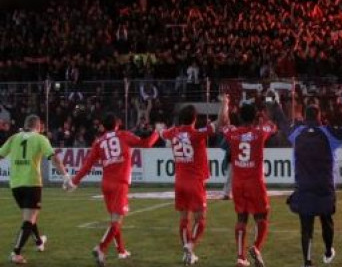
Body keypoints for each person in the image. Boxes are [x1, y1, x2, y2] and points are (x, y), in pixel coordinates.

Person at [272, 93, 342, 267]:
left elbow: (281, 121)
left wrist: (274, 103)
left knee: (306, 226)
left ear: (304, 117)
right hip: (324, 187)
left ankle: (307, 262)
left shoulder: (297, 133)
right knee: (326, 220)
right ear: (320, 117)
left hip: (304, 187)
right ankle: (328, 251)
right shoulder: (328, 133)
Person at [70, 112, 160, 267]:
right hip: (120, 183)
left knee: (114, 219)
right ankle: (100, 248)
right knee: (116, 221)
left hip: (106, 184)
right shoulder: (123, 135)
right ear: (117, 124)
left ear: (103, 127)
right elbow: (146, 144)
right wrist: (157, 133)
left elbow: (87, 165)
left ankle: (121, 251)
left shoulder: (98, 142)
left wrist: (74, 181)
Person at [158, 99, 228, 265]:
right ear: (194, 119)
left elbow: (161, 132)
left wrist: (159, 127)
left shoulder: (173, 132)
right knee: (200, 219)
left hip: (179, 181)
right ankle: (190, 245)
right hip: (195, 182)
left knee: (184, 219)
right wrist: (225, 103)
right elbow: (220, 122)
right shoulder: (197, 134)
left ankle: (188, 255)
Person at [0, 114, 72, 264]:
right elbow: (54, 158)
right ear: (38, 127)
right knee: (29, 218)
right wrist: (65, 176)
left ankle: (39, 242)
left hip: (15, 186)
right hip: (32, 183)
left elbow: (0, 155)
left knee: (30, 215)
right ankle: (16, 253)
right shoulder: (40, 139)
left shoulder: (14, 138)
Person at [220, 101, 280, 267]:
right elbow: (272, 126)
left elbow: (223, 124)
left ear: (239, 116)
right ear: (255, 117)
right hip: (255, 183)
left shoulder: (233, 133)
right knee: (262, 217)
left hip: (238, 183)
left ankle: (240, 257)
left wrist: (225, 105)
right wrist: (265, 113)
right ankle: (256, 247)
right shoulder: (260, 132)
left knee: (241, 218)